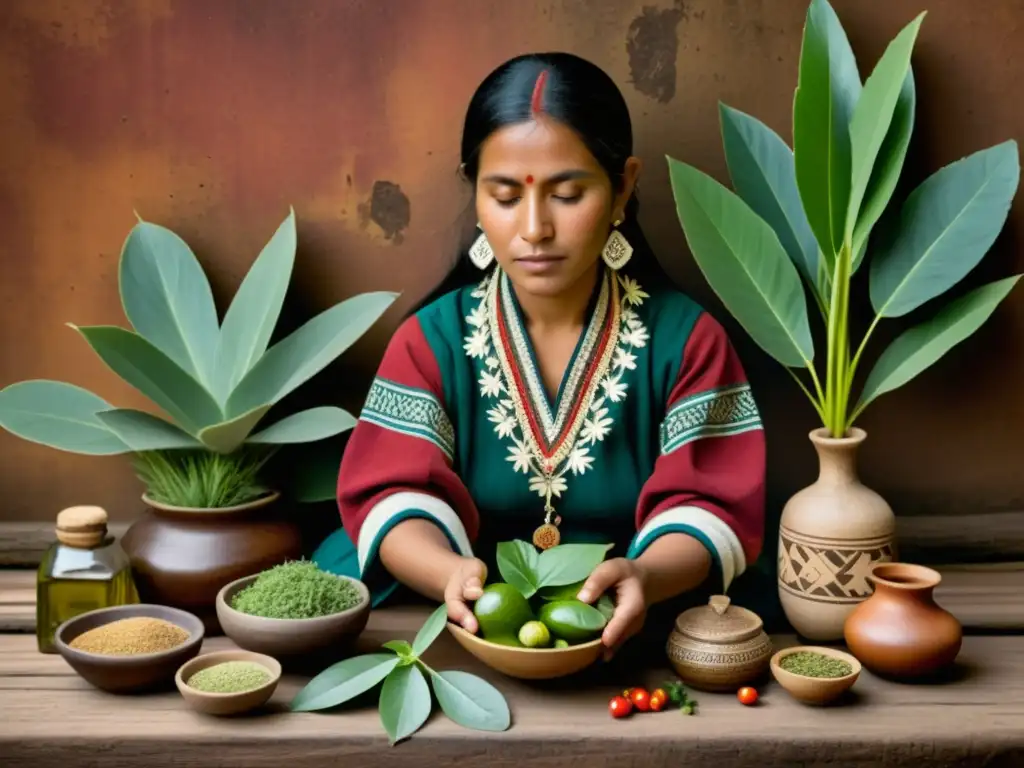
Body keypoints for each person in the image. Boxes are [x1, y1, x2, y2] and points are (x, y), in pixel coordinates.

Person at [313, 52, 766, 660]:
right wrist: (447, 573)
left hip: (640, 632)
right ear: (474, 194)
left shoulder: (687, 341)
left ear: (622, 187)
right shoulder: (432, 340)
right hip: (447, 634)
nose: (533, 228)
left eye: (568, 193)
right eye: (504, 196)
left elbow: (712, 502)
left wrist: (648, 577)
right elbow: (391, 494)